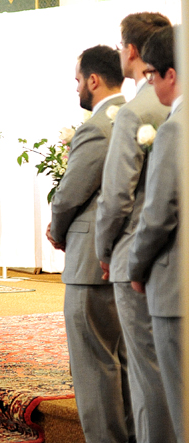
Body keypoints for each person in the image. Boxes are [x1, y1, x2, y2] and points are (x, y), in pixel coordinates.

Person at [94, 13, 175, 443]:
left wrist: (105, 252)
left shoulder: (134, 112)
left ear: (132, 50)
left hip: (137, 258)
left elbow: (117, 197)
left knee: (149, 377)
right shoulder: (173, 101)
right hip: (176, 256)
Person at [47, 46, 133, 443]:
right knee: (123, 363)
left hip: (89, 259)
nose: (77, 85)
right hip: (124, 255)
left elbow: (69, 194)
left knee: (94, 368)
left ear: (93, 80)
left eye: (78, 78)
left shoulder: (98, 126)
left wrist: (56, 229)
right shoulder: (134, 118)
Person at [130, 26, 183, 442]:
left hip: (175, 286)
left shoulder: (175, 128)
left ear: (172, 74)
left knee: (181, 403)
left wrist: (136, 264)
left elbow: (160, 212)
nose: (149, 84)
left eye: (152, 75)